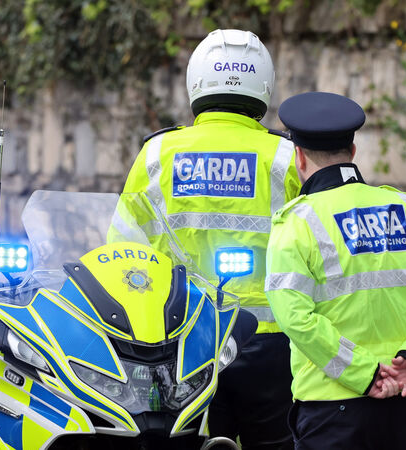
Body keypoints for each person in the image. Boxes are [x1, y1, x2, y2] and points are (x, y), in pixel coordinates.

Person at [116, 29, 301, 449]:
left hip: (182, 345)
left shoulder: (157, 155)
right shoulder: (286, 157)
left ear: (196, 82)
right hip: (272, 344)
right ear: (264, 85)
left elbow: (124, 252)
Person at [265, 91, 406, 449]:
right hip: (405, 402)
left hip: (331, 408)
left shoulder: (297, 222)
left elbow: (295, 317)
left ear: (299, 157)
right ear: (353, 152)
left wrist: (365, 373)